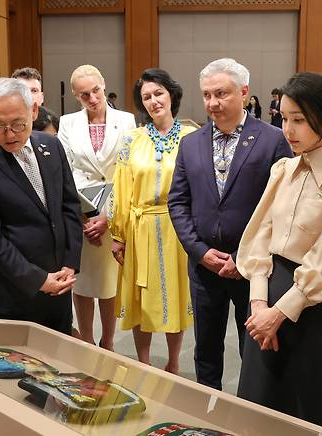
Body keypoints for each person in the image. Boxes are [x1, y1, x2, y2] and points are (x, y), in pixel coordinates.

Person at [235, 72, 322, 426]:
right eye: (283, 117)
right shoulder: (283, 169)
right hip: (263, 295)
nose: (288, 129)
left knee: (297, 406)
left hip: (306, 304)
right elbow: (259, 236)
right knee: (254, 398)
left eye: (298, 120)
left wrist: (278, 314)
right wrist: (258, 304)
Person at [168, 58, 292, 390]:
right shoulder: (190, 143)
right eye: (207, 95)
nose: (212, 103)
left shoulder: (273, 140)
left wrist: (243, 256)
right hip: (204, 266)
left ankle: (251, 412)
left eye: (221, 93)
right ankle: (209, 412)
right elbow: (177, 202)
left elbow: (282, 209)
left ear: (244, 92)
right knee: (206, 348)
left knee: (253, 346)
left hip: (254, 270)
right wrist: (199, 251)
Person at [0, 78, 82, 334]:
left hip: (60, 282)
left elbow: (69, 206)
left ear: (34, 111)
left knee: (62, 361)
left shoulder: (51, 145)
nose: (9, 134)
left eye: (18, 124)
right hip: (16, 291)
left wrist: (70, 263)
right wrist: (39, 280)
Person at [109, 68, 195, 374]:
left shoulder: (190, 137)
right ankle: (143, 364)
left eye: (158, 93)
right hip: (139, 226)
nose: (153, 100)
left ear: (171, 94)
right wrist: (118, 233)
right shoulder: (130, 139)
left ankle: (173, 363)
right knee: (140, 298)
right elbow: (122, 187)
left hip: (177, 228)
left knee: (175, 293)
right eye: (146, 97)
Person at [58, 65, 136, 350]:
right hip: (80, 211)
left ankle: (109, 340)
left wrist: (108, 215)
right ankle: (87, 339)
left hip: (113, 211)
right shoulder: (68, 123)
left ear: (104, 85)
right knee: (83, 280)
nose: (92, 98)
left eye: (95, 91)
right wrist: (81, 212)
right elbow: (65, 169)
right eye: (84, 95)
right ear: (77, 97)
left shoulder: (126, 120)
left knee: (109, 280)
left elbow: (127, 170)